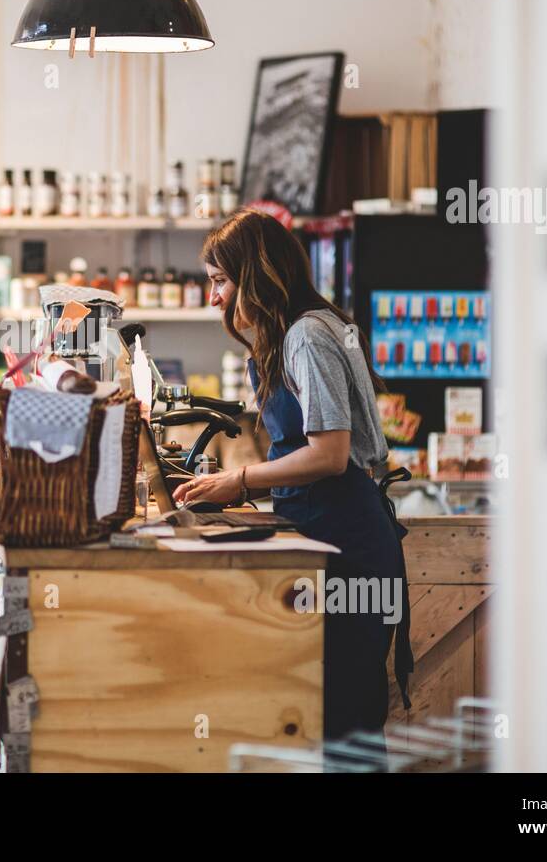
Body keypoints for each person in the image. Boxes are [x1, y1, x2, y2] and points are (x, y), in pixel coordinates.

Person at [175, 209, 413, 751]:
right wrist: (239, 487)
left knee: (345, 722)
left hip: (348, 547)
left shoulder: (307, 335)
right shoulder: (298, 332)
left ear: (253, 277)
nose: (212, 296)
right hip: (328, 538)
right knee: (323, 714)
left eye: (219, 281)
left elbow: (329, 456)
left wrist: (239, 481)